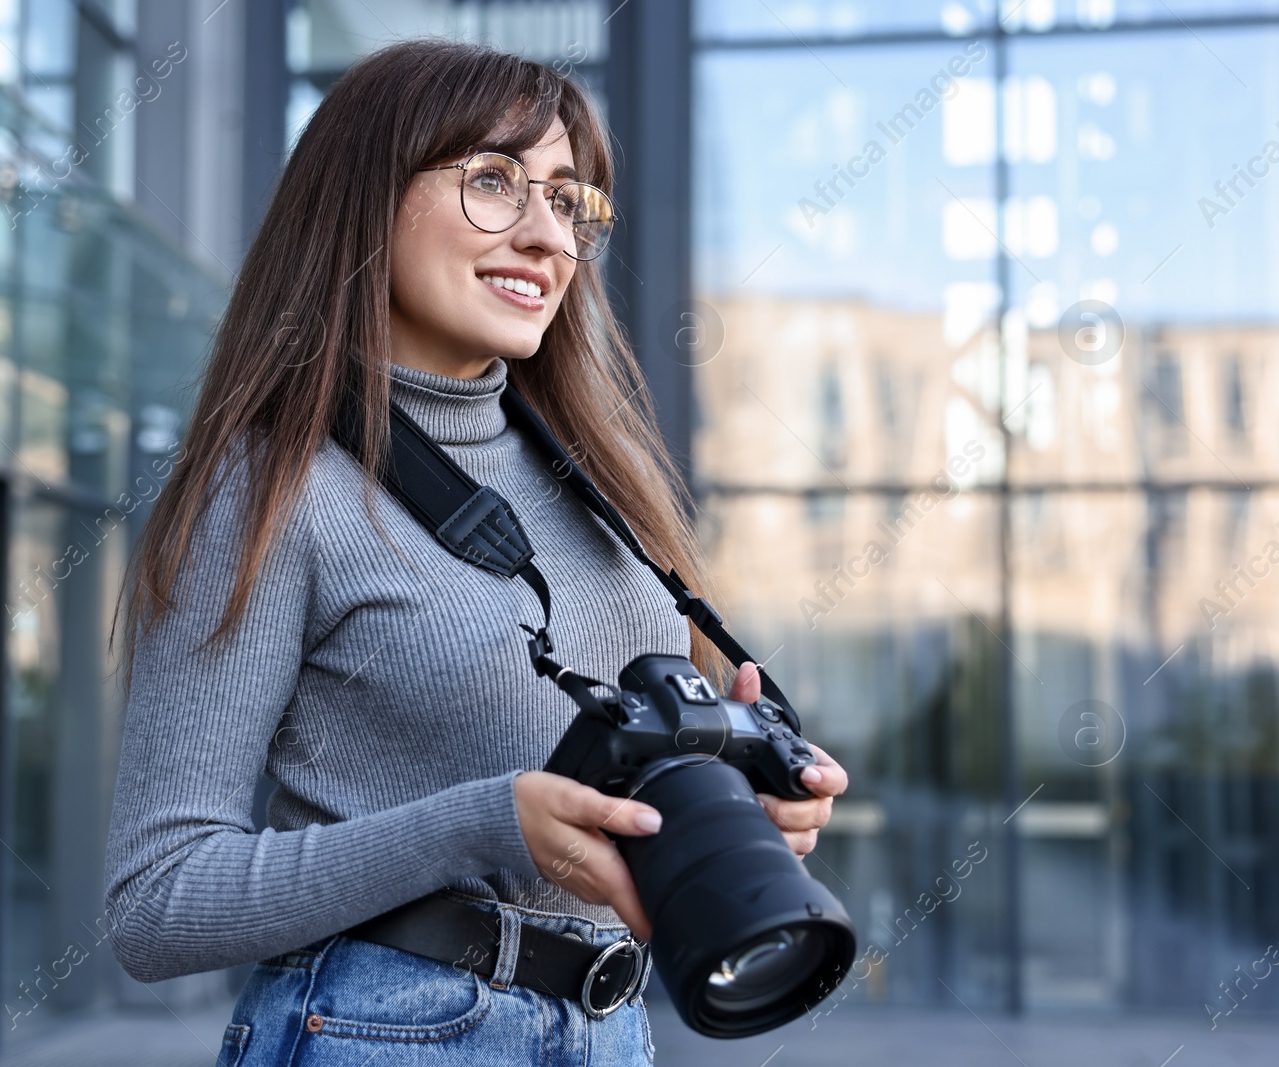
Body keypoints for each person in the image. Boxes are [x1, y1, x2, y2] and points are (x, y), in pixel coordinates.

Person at [102, 37, 847, 1067]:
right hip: (380, 1029)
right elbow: (157, 902)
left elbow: (598, 803)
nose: (548, 236)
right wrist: (485, 823)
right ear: (365, 199)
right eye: (494, 182)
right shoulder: (278, 486)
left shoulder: (600, 477)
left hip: (609, 1026)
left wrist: (736, 807)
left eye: (568, 201)